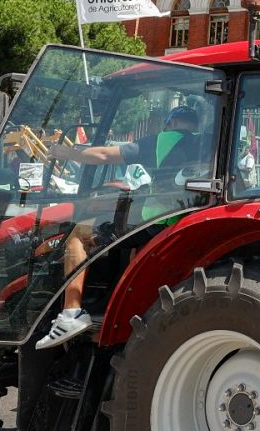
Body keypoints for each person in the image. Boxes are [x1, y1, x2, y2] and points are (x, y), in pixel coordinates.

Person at [38, 105, 204, 349]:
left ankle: (71, 313)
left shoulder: (159, 141)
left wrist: (67, 153)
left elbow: (104, 155)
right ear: (195, 125)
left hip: (155, 221)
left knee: (78, 236)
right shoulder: (207, 144)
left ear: (170, 123)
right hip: (188, 220)